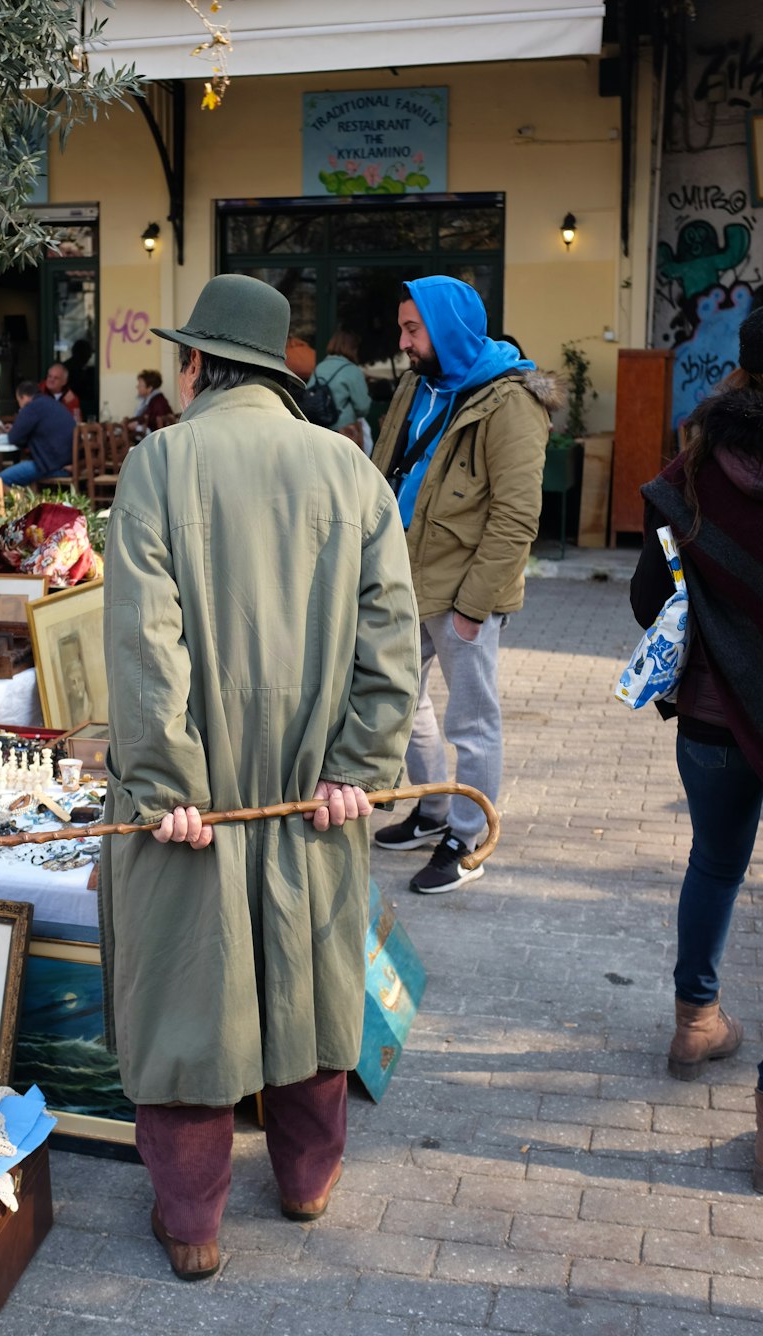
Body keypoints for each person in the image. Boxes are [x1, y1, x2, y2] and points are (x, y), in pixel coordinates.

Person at [99, 273, 419, 1281]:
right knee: (317, 988)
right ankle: (305, 1184)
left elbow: (149, 649)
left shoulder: (159, 465)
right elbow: (392, 645)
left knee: (188, 1002)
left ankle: (193, 1222)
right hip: (311, 800)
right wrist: (357, 770)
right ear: (276, 369)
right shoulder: (352, 473)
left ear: (197, 366)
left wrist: (163, 786)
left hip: (192, 803)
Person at [628, 308, 763, 1184]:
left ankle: (694, 1018)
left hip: (713, 720)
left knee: (714, 864)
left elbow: (648, 598)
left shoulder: (694, 466)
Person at [371, 275, 560, 893]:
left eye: (411, 328)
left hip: (461, 594)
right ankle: (430, 807)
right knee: (401, 699)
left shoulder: (511, 404)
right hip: (400, 577)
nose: (402, 340)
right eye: (402, 327)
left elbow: (515, 517)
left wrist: (474, 609)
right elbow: (385, 465)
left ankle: (466, 834)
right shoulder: (415, 384)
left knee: (472, 721)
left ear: (446, 327)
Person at [0, 380, 75, 488]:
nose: (20, 407)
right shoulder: (50, 403)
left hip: (54, 467)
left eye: (19, 402)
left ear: (23, 397)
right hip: (66, 463)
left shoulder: (31, 407)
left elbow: (14, 438)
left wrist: (17, 431)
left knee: (1, 479)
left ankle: (20, 503)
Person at [307, 330, 373, 448]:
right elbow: (362, 407)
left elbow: (308, 394)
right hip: (344, 432)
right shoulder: (352, 370)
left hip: (318, 431)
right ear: (353, 349)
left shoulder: (319, 367)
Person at [129, 369, 173, 436]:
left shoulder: (158, 402)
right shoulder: (151, 400)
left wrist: (137, 427)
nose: (137, 387)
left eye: (140, 385)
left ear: (149, 388)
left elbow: (156, 428)